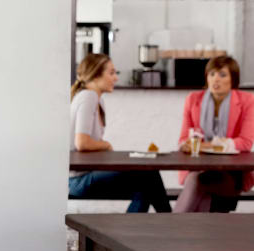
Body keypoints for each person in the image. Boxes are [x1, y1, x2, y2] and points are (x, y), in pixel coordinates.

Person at [69, 53, 171, 213]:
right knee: (149, 175)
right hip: (78, 180)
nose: (115, 78)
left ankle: (134, 231)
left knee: (146, 184)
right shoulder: (88, 97)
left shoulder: (96, 99)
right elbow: (81, 142)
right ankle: (170, 223)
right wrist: (106, 145)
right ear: (95, 75)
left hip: (88, 174)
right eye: (111, 73)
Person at [175, 55, 254, 212]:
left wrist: (205, 145)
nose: (215, 80)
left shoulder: (247, 101)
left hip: (231, 174)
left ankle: (173, 224)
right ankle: (183, 229)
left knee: (198, 180)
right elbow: (184, 139)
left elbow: (245, 142)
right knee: (199, 181)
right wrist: (186, 145)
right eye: (212, 74)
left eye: (222, 75)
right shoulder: (193, 100)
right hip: (200, 168)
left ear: (233, 79)